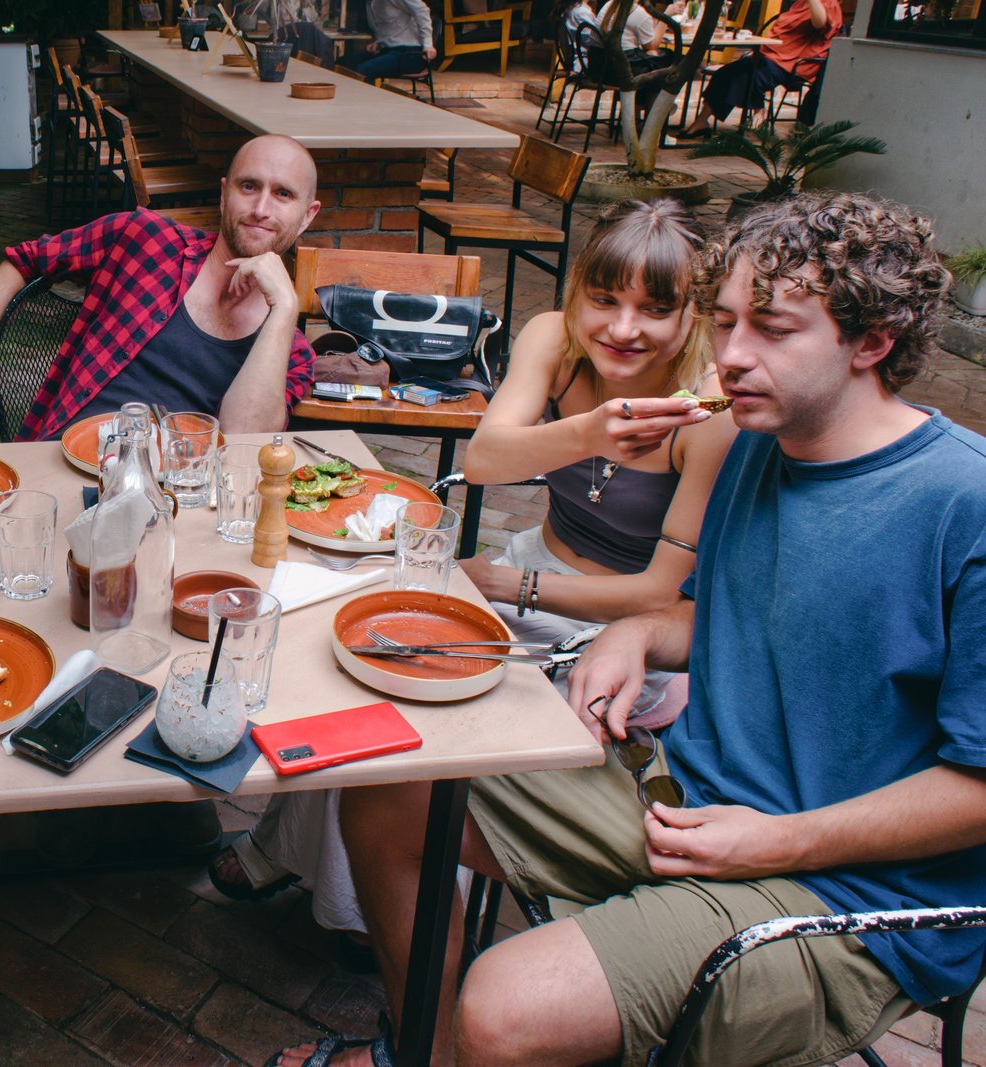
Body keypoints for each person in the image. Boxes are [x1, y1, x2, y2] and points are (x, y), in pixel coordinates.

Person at [271, 190, 986, 1067]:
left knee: (505, 1006)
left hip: (840, 893)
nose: (731, 356)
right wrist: (641, 635)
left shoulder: (963, 506)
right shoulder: (761, 440)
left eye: (774, 329)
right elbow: (733, 613)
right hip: (687, 801)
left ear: (872, 342)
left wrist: (780, 838)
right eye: (723, 323)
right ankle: (424, 1050)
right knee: (393, 785)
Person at [214, 200, 736, 941]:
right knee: (364, 650)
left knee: (440, 695)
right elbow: (487, 458)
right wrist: (589, 430)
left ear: (691, 317)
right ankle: (295, 851)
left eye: (657, 309)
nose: (625, 329)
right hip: (531, 564)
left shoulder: (706, 412)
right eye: (606, 299)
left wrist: (514, 585)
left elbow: (657, 592)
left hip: (625, 629)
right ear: (578, 287)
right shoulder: (554, 339)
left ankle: (369, 912)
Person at [0, 134, 323, 443]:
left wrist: (285, 308)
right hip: (60, 461)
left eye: (283, 194)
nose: (261, 209)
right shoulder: (145, 238)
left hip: (176, 499)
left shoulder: (293, 354)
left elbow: (241, 441)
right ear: (224, 195)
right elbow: (23, 260)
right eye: (249, 186)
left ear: (307, 216)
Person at [676, 0, 842, 136]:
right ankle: (702, 121)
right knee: (725, 73)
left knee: (744, 75)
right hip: (770, 55)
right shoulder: (800, 4)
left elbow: (820, 23)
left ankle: (758, 109)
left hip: (791, 63)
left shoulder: (829, 4)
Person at [352, 0, 438, 80]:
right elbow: (385, 27)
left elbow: (421, 10)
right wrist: (379, 41)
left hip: (410, 54)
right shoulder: (370, 3)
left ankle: (369, 96)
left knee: (363, 70)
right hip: (387, 51)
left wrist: (428, 45)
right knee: (347, 63)